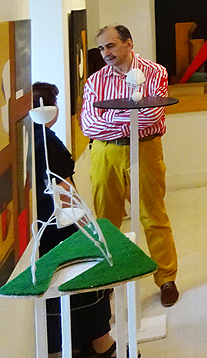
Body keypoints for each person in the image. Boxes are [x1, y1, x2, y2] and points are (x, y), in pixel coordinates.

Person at [80, 24, 181, 308]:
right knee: (106, 219)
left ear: (129, 43)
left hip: (146, 148)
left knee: (153, 214)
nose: (106, 53)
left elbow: (151, 116)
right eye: (101, 48)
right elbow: (89, 125)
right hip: (105, 153)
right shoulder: (95, 80)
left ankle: (166, 278)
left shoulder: (154, 72)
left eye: (111, 46)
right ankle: (110, 278)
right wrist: (129, 117)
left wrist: (110, 116)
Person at [33, 82, 117, 358]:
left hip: (39, 231)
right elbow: (67, 195)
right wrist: (88, 227)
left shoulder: (28, 139)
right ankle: (102, 345)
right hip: (59, 228)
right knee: (85, 284)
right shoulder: (49, 143)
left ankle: (70, 347)